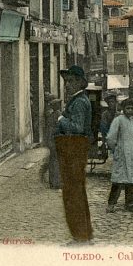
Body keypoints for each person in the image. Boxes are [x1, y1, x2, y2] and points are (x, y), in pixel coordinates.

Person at [54, 65, 93, 243]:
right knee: (77, 191)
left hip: (74, 151)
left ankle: (80, 235)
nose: (66, 85)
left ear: (79, 82)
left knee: (73, 193)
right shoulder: (79, 100)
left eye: (70, 81)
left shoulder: (79, 102)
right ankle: (84, 232)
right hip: (75, 151)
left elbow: (77, 129)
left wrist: (61, 120)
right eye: (65, 81)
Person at [106, 98, 133, 213]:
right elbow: (110, 137)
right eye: (127, 108)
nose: (130, 110)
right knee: (118, 181)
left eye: (132, 108)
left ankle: (129, 203)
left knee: (131, 180)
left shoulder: (132, 121)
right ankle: (111, 204)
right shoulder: (118, 120)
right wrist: (116, 149)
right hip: (122, 155)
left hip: (132, 155)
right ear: (123, 108)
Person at [43, 92, 61, 189]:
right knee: (56, 161)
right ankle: (56, 182)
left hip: (52, 140)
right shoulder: (58, 115)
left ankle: (53, 182)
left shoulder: (51, 115)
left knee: (53, 161)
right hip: (56, 140)